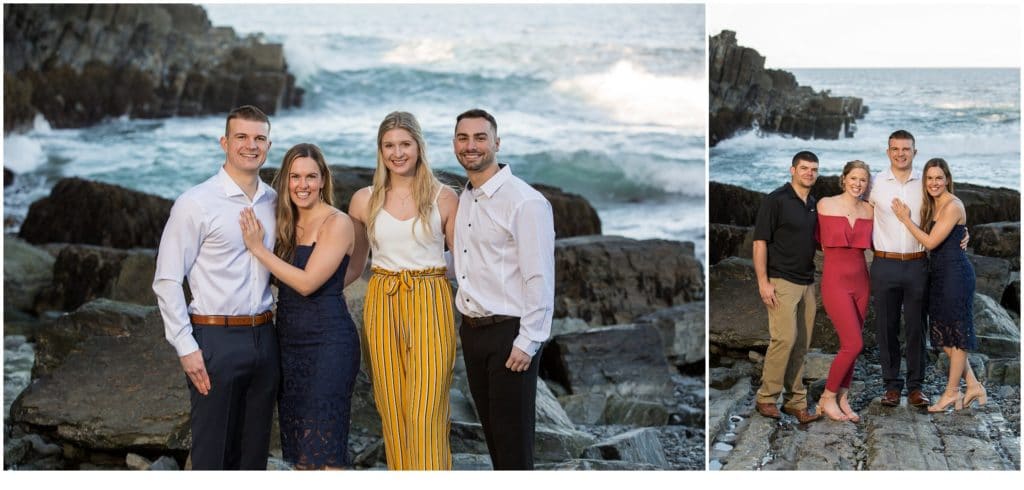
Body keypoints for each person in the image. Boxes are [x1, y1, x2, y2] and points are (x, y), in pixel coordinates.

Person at [153, 105, 280, 470]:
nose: (250, 145)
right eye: (241, 137)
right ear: (225, 142)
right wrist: (185, 346)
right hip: (214, 340)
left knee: (253, 456)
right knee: (213, 456)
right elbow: (167, 279)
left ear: (268, 146)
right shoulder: (195, 203)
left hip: (264, 336)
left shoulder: (274, 201)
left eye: (259, 138)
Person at [238, 143, 361, 469]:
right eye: (294, 176)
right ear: (285, 181)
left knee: (325, 451)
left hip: (329, 343)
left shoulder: (337, 222)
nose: (302, 184)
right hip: (288, 344)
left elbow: (306, 283)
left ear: (323, 180)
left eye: (310, 176)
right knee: (300, 454)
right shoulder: (284, 221)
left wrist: (258, 249)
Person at [348, 111, 459, 470]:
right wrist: (314, 293)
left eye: (405, 144)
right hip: (382, 298)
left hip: (430, 297)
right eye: (389, 145)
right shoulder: (364, 200)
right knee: (392, 410)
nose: (398, 153)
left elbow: (465, 261)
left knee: (426, 410)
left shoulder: (445, 198)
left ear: (419, 147)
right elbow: (354, 264)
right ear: (380, 151)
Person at [451, 108, 555, 469]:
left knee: (513, 443)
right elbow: (464, 260)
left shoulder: (524, 202)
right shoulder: (466, 196)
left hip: (510, 334)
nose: (471, 146)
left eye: (480, 137)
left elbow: (539, 276)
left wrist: (529, 340)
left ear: (497, 142)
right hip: (473, 330)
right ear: (454, 144)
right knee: (494, 437)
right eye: (463, 138)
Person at [891, 158, 985, 413]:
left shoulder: (953, 205)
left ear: (947, 180)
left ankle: (951, 393)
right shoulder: (933, 205)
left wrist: (904, 219)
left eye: (938, 178)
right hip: (939, 275)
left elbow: (931, 242)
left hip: (956, 275)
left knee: (958, 334)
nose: (933, 182)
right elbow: (950, 234)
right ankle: (974, 384)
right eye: (929, 178)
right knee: (943, 338)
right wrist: (964, 233)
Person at [752, 151, 822, 424]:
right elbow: (759, 243)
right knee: (783, 339)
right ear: (792, 170)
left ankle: (796, 402)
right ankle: (767, 398)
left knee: (802, 343)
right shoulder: (775, 200)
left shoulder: (813, 204)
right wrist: (762, 282)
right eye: (804, 168)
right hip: (781, 281)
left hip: (807, 282)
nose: (809, 173)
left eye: (814, 169)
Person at [866, 130, 931, 408]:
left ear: (915, 152)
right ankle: (892, 386)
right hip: (884, 263)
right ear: (888, 151)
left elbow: (945, 212)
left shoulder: (925, 183)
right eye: (895, 149)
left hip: (918, 263)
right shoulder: (875, 183)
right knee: (886, 327)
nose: (900, 153)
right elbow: (856, 211)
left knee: (917, 327)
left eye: (906, 149)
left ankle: (916, 387)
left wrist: (963, 235)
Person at [815, 160, 873, 422]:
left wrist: (961, 234)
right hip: (835, 282)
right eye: (853, 178)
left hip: (862, 282)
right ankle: (827, 397)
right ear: (844, 179)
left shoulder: (870, 210)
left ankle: (843, 398)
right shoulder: (825, 204)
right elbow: (806, 235)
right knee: (854, 344)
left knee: (851, 346)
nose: (858, 183)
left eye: (863, 179)